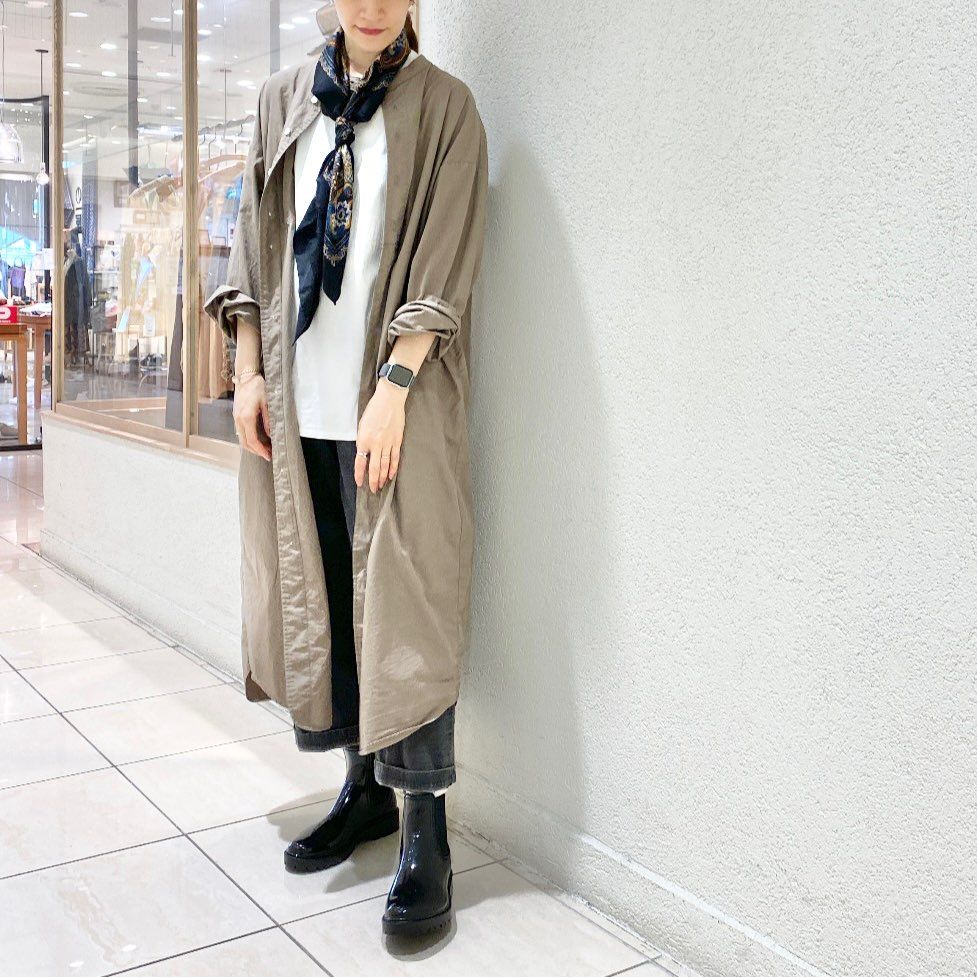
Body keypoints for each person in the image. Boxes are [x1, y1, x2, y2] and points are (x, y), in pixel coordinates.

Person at [203, 0, 489, 939]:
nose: (370, 6)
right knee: (329, 597)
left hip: (390, 407)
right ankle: (362, 790)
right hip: (298, 408)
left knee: (405, 606)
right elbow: (251, 241)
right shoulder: (283, 99)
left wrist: (395, 387)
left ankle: (426, 831)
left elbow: (445, 260)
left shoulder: (444, 107)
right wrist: (248, 372)